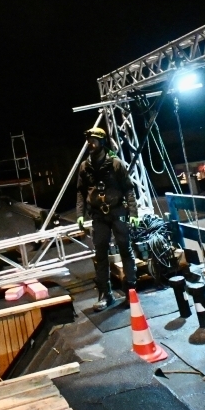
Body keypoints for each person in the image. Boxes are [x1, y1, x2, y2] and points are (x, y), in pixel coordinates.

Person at [75, 126, 140, 311]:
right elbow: (80, 192)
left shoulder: (116, 164)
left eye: (94, 139)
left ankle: (131, 292)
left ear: (102, 142)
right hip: (98, 216)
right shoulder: (85, 167)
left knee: (125, 250)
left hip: (117, 212)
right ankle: (105, 294)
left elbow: (128, 188)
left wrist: (133, 214)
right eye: (89, 140)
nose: (90, 143)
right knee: (100, 254)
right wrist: (79, 214)